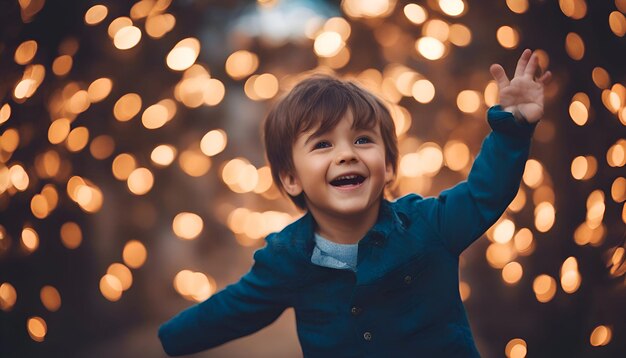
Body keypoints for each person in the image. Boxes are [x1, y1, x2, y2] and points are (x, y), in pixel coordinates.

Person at [158, 49, 551, 357]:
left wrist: (512, 127)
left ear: (389, 166)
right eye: (323, 144)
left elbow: (485, 193)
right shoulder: (286, 259)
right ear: (291, 178)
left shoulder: (429, 225)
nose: (346, 154)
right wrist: (171, 338)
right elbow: (235, 308)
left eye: (363, 140)